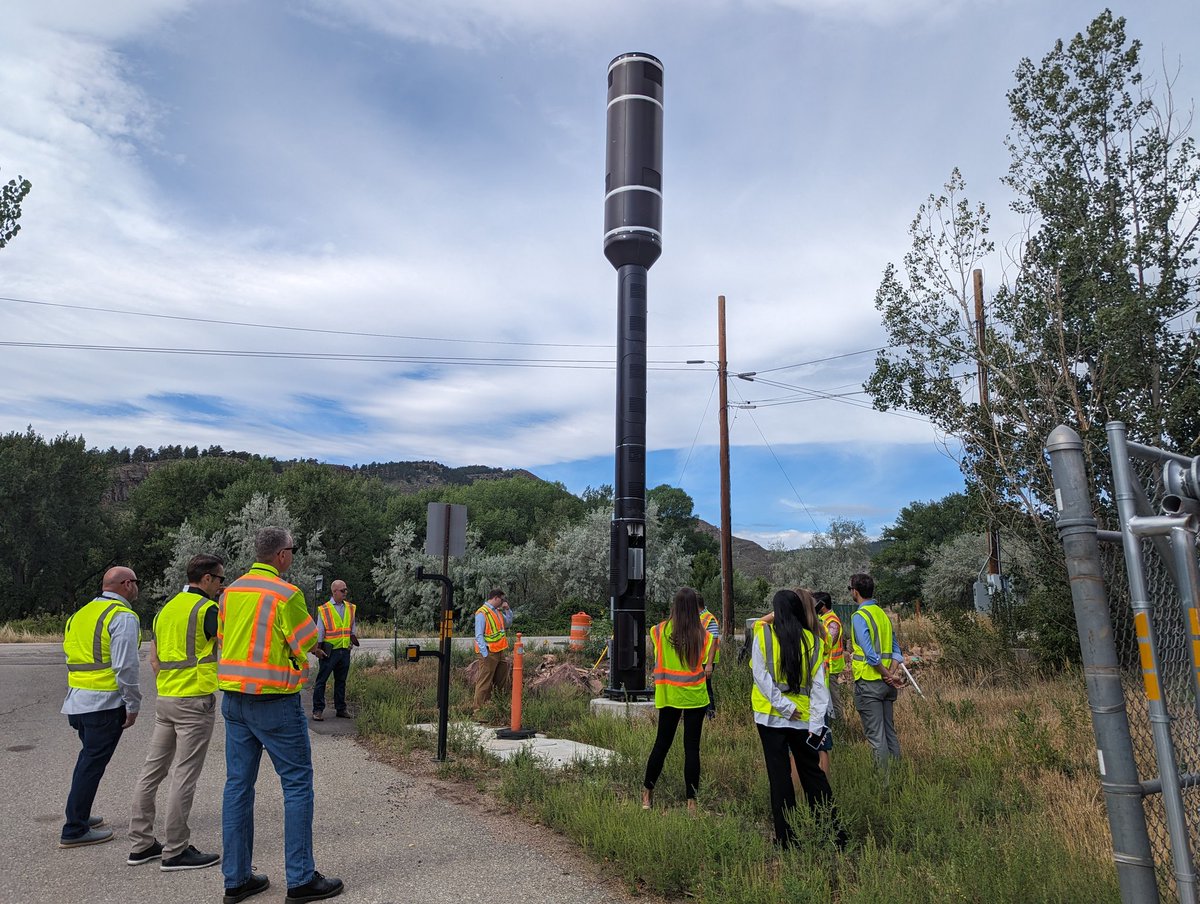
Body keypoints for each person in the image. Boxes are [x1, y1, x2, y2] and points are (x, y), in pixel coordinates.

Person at [218, 528, 343, 904]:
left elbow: (226, 638)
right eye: (293, 549)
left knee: (238, 787)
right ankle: (301, 879)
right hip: (275, 700)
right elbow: (307, 642)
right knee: (297, 785)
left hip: (234, 699)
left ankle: (236, 880)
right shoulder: (286, 594)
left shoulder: (230, 592)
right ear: (282, 555)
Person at [127, 554, 225, 870]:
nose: (222, 587)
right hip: (194, 700)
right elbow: (229, 644)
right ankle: (175, 850)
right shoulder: (208, 610)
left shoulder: (165, 610)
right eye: (221, 580)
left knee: (152, 771)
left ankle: (141, 844)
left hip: (166, 698)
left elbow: (153, 659)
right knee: (184, 775)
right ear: (207, 578)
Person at [751, 589, 841, 847]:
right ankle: (831, 833)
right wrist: (816, 724)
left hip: (770, 717)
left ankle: (786, 840)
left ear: (776, 611)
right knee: (813, 774)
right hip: (803, 720)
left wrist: (783, 707)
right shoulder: (814, 641)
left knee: (779, 778)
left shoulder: (764, 634)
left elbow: (761, 676)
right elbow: (820, 687)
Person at [59, 566, 142, 848]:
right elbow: (125, 666)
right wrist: (133, 703)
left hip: (77, 703)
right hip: (104, 704)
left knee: (88, 761)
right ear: (127, 585)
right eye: (136, 582)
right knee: (91, 765)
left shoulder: (79, 615)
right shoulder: (122, 616)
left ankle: (79, 814)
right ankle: (75, 828)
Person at [643, 586, 714, 813]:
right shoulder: (704, 636)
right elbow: (707, 664)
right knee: (691, 750)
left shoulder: (659, 630)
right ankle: (691, 803)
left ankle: (647, 795)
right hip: (695, 697)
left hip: (669, 695)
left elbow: (653, 645)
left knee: (661, 745)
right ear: (695, 608)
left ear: (674, 606)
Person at [849, 572, 905, 774]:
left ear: (855, 592)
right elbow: (897, 651)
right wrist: (891, 673)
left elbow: (870, 655)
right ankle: (898, 776)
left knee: (876, 735)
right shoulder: (883, 615)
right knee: (889, 732)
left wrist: (885, 673)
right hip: (887, 685)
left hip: (869, 683)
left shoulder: (859, 616)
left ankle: (884, 783)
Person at [311, 580, 359, 721]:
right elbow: (320, 631)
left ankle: (341, 708)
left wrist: (352, 642)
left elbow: (352, 628)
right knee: (321, 681)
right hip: (329, 651)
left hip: (344, 651)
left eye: (346, 590)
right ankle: (318, 710)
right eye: (342, 590)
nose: (345, 592)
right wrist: (317, 649)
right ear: (334, 592)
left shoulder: (350, 607)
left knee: (341, 681)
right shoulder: (324, 609)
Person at [813, 590, 845, 777]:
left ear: (821, 605)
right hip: (825, 668)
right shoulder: (825, 620)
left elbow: (827, 642)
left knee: (834, 700)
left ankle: (839, 726)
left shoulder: (832, 621)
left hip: (831, 668)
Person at [472, 589, 513, 716]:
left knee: (502, 681)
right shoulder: (482, 613)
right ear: (495, 598)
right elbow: (479, 636)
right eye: (502, 599)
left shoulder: (498, 612)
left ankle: (499, 707)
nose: (503, 602)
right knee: (484, 682)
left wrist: (508, 610)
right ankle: (478, 711)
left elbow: (508, 623)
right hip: (488, 653)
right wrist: (485, 654)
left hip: (500, 651)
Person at [698, 596, 720, 720]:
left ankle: (710, 715)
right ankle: (706, 714)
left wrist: (709, 664)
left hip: (706, 661)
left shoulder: (708, 619)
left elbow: (713, 642)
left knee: (706, 687)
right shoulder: (699, 617)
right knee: (701, 687)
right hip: (700, 660)